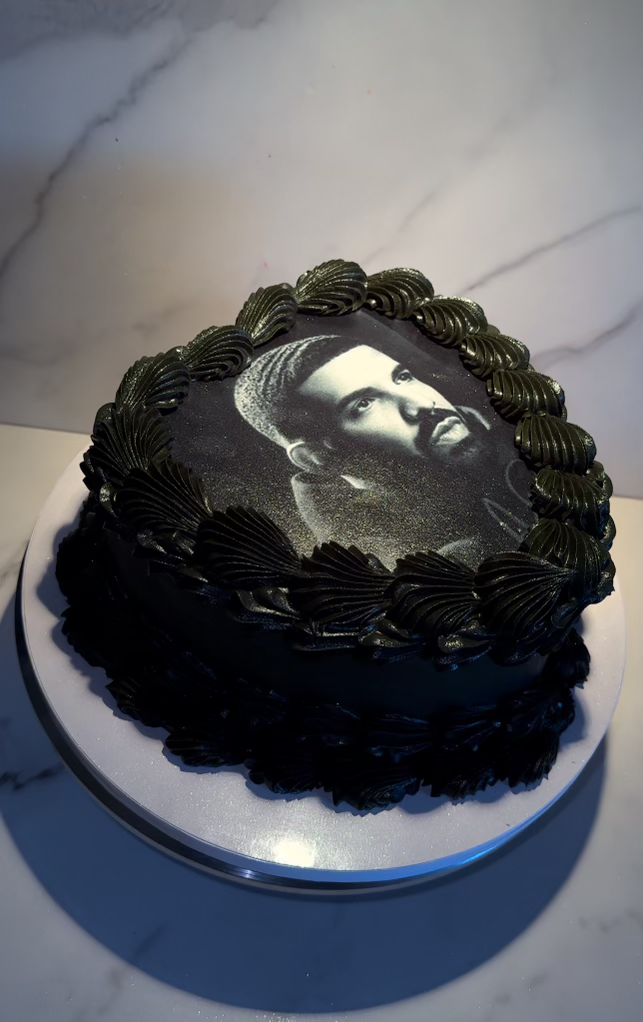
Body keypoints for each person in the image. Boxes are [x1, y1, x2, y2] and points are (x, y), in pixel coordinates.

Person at [234, 322, 534, 568]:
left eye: (402, 378)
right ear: (317, 457)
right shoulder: (395, 567)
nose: (422, 403)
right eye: (364, 404)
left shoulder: (513, 433)